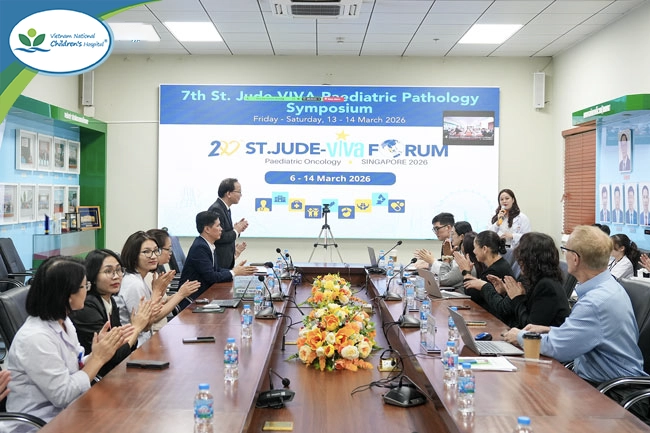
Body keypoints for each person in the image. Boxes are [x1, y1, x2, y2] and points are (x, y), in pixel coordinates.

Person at [504, 226, 646, 384]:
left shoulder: (594, 302)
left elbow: (559, 348)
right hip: (604, 379)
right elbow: (590, 333)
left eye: (565, 250)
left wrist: (519, 336)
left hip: (611, 389)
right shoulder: (609, 287)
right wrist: (551, 330)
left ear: (575, 259)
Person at [6, 256, 130, 422]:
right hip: (41, 423)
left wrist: (97, 353)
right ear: (67, 294)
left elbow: (75, 364)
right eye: (84, 286)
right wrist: (98, 359)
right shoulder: (35, 338)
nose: (87, 290)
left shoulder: (64, 321)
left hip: (70, 411)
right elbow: (63, 395)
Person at [70, 249, 155, 377]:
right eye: (108, 271)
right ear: (93, 275)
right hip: (95, 377)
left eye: (119, 270)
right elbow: (114, 356)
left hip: (113, 372)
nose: (116, 276)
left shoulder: (110, 301)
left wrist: (137, 327)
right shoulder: (87, 307)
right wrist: (136, 328)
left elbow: (123, 349)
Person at [115, 231, 200, 346]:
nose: (154, 256)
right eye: (147, 252)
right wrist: (175, 294)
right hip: (137, 345)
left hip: (145, 340)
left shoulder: (139, 278)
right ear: (133, 255)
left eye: (156, 251)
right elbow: (147, 323)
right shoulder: (134, 284)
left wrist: (161, 292)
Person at [485, 233, 570, 329]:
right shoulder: (533, 278)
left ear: (530, 260)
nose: (519, 262)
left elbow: (530, 327)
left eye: (521, 258)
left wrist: (516, 298)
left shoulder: (547, 286)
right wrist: (507, 291)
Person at [179, 211, 257, 302]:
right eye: (218, 226)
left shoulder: (208, 244)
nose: (221, 229)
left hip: (205, 295)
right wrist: (234, 272)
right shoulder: (200, 247)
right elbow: (211, 277)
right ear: (207, 229)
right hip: (192, 300)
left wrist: (236, 271)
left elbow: (216, 270)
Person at [454, 230, 514, 322]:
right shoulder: (499, 264)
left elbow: (474, 296)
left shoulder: (494, 270)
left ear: (485, 249)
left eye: (475, 248)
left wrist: (465, 272)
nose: (473, 251)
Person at [208, 178, 249, 269]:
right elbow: (219, 237)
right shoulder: (217, 209)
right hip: (219, 263)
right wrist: (236, 231)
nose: (241, 195)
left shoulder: (225, 208)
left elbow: (225, 232)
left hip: (225, 262)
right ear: (229, 194)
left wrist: (237, 230)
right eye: (239, 192)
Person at [437, 221, 473, 291]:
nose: (451, 237)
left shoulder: (464, 258)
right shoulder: (458, 251)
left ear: (462, 237)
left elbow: (442, 280)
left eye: (453, 234)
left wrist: (447, 258)